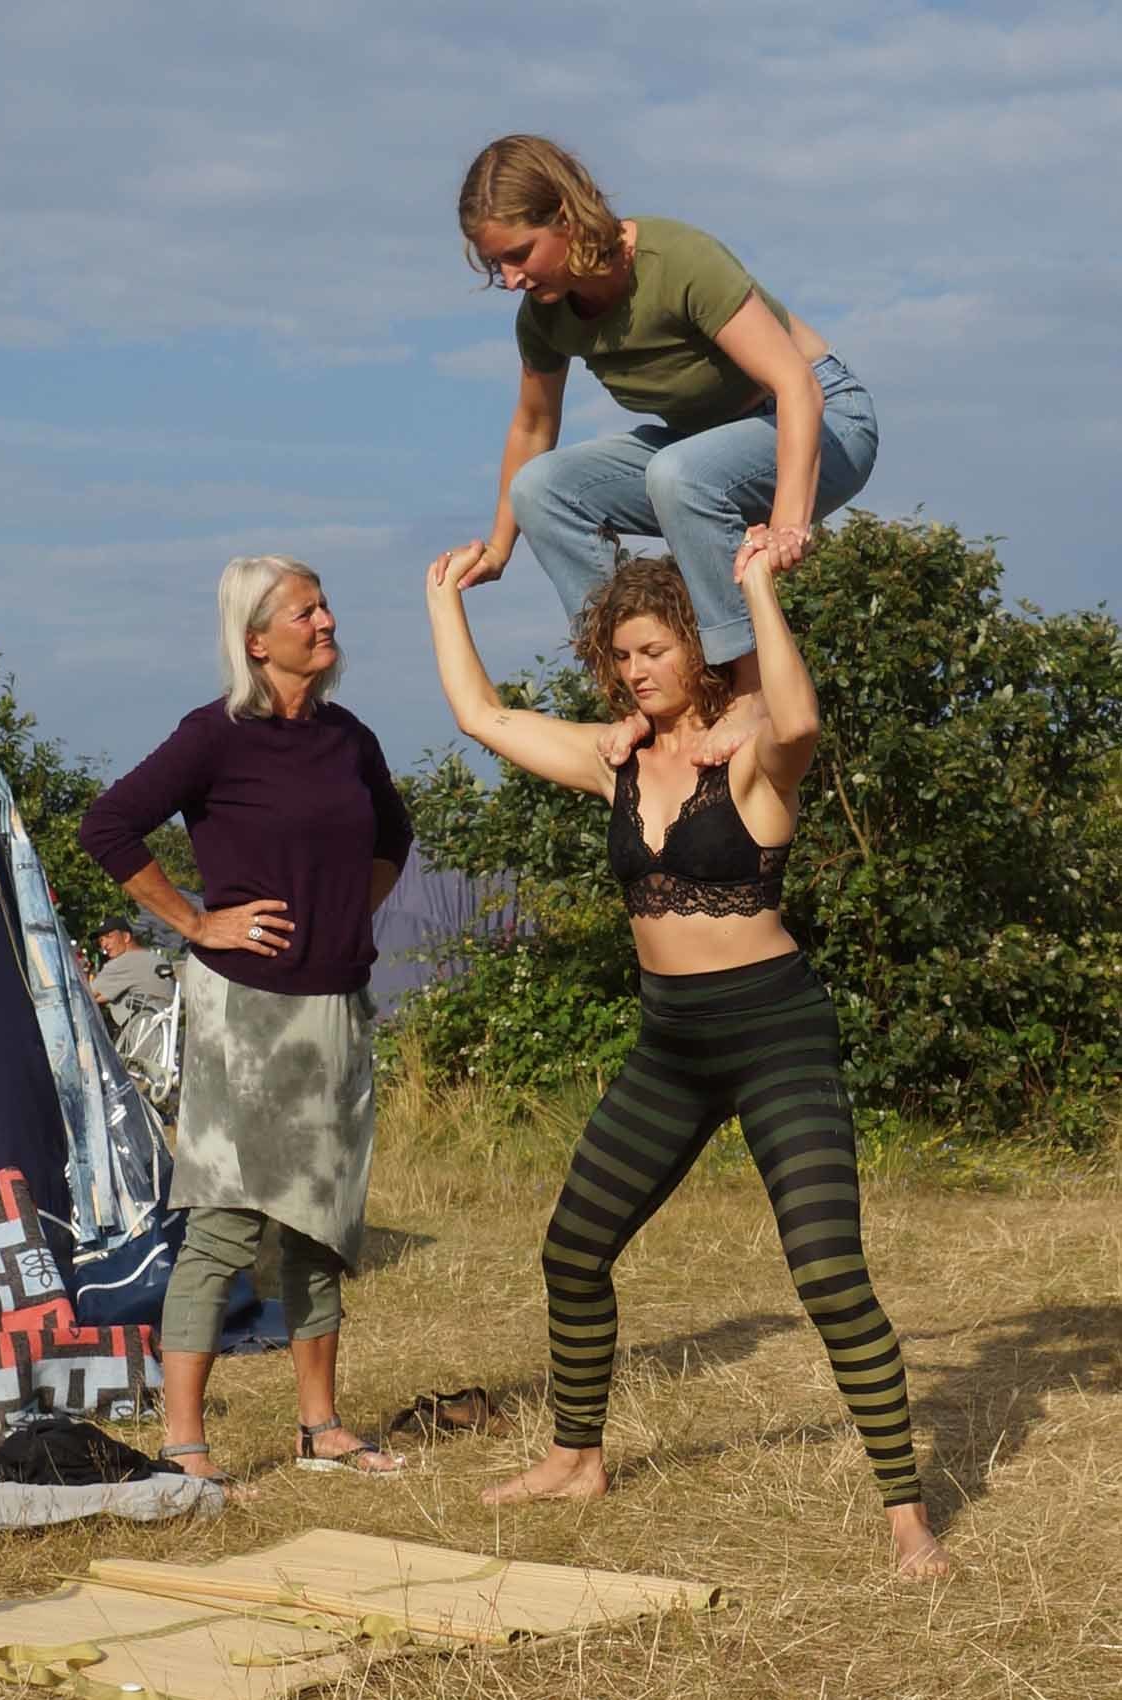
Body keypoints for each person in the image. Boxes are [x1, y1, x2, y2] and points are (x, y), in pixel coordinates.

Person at [425, 539, 949, 1579]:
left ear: (699, 646)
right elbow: (484, 716)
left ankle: (907, 1519)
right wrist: (443, 597)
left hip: (774, 1036)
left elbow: (796, 719)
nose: (634, 671)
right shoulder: (612, 758)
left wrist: (753, 585)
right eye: (621, 655)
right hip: (670, 1044)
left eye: (654, 649)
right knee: (573, 1249)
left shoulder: (747, 753)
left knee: (829, 1277)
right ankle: (575, 1457)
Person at [80, 554, 413, 1485]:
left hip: (336, 1006)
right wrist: (194, 922)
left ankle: (320, 1427)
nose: (327, 620)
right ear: (256, 640)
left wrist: (348, 917)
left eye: (325, 604)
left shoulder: (348, 737)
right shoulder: (214, 736)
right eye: (306, 611)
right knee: (226, 1222)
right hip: (244, 1010)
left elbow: (393, 835)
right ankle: (184, 1446)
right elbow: (107, 827)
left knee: (320, 1224)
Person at [442, 133, 878, 763]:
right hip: (705, 445)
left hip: (827, 421)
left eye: (518, 254)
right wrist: (499, 547)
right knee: (540, 488)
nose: (510, 279)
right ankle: (641, 703)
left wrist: (788, 525)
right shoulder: (545, 316)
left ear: (564, 216)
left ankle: (750, 689)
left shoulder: (673, 259)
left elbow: (796, 386)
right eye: (495, 266)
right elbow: (533, 427)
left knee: (677, 473)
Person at [90, 915, 171, 1028]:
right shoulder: (156, 958)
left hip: (141, 1031)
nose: (104, 945)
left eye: (109, 936)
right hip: (168, 1029)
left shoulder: (121, 963)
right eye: (101, 940)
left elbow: (88, 995)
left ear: (126, 937)